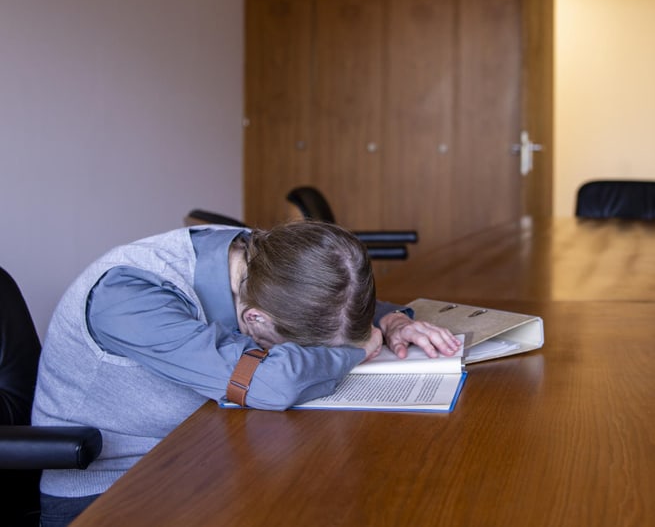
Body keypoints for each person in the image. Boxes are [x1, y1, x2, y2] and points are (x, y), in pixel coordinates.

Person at [31, 220, 459, 526]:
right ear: (254, 319)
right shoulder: (129, 299)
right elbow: (271, 382)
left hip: (206, 451)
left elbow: (332, 292)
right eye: (299, 347)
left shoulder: (257, 254)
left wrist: (391, 321)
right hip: (115, 492)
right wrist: (356, 350)